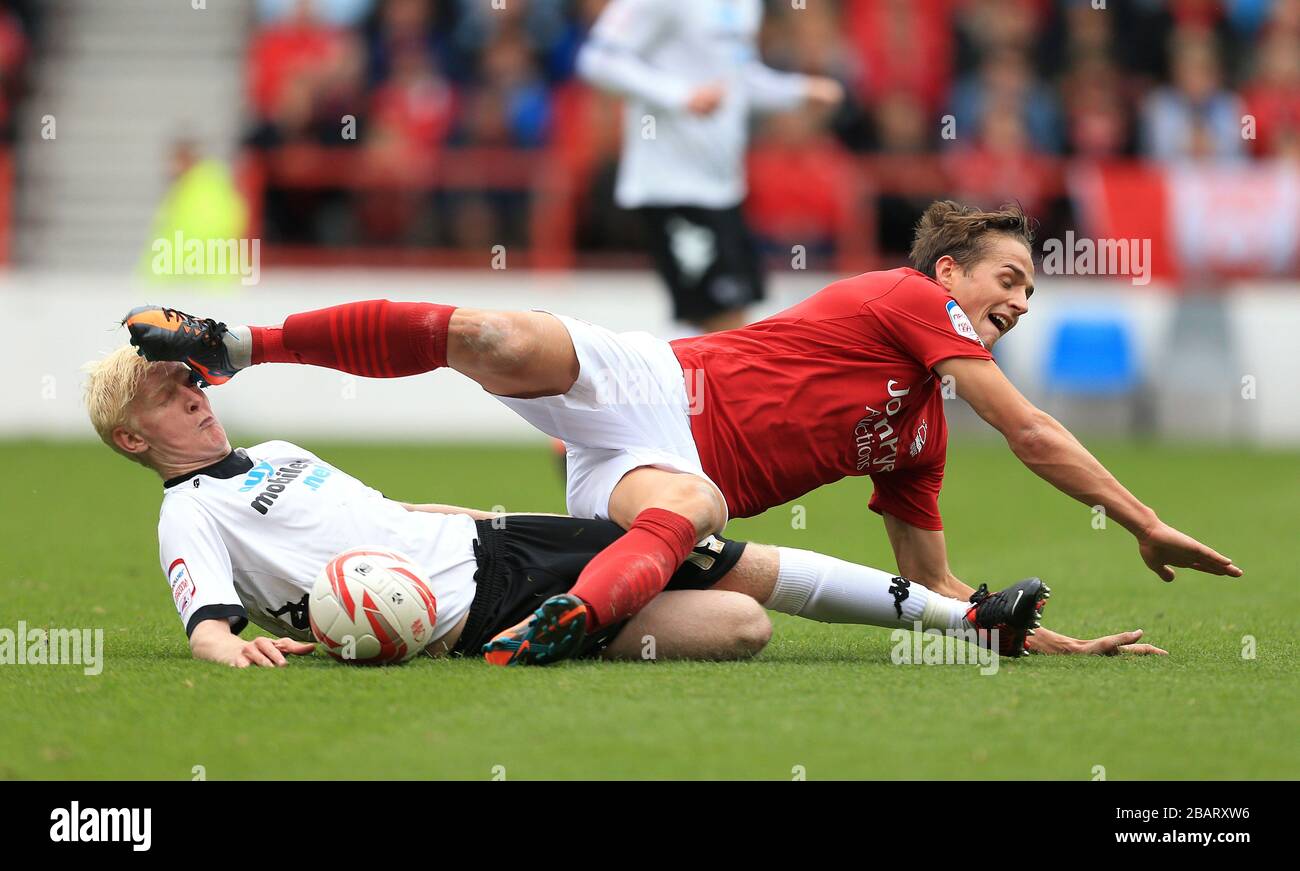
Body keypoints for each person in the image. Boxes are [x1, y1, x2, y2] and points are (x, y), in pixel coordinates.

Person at [123, 201, 1219, 665]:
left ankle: (557, 623)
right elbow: (1029, 434)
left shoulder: (918, 439)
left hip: (645, 479)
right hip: (647, 384)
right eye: (1006, 279)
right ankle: (239, 337)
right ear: (947, 275)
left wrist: (1008, 631)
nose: (1019, 300)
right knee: (490, 331)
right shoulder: (903, 298)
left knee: (704, 536)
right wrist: (1141, 520)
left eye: (1028, 287)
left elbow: (926, 576)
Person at [83, 348, 1091, 668]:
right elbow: (207, 618)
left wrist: (486, 517)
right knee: (738, 631)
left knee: (709, 552)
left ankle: (970, 622)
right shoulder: (190, 515)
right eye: (170, 397)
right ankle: (563, 633)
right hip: (463, 614)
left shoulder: (281, 452)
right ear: (135, 439)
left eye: (193, 381)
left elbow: (383, 509)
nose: (196, 393)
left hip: (492, 543)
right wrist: (235, 650)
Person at [576, 0, 843, 333]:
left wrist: (797, 91)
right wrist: (679, 95)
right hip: (672, 185)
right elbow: (598, 59)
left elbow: (737, 80)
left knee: (726, 319)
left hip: (722, 187)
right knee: (722, 323)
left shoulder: (746, 5)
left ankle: (692, 385)